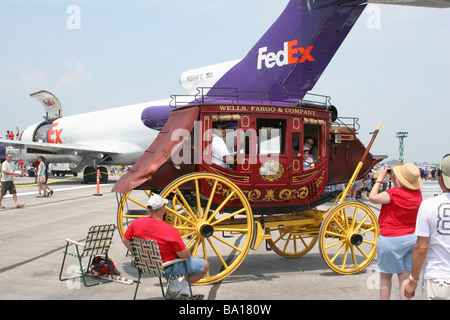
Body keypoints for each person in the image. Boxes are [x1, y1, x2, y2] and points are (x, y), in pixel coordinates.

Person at [122, 193, 209, 300]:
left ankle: (179, 289)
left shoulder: (136, 223)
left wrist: (137, 254)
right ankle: (177, 288)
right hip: (166, 268)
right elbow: (184, 256)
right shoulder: (170, 230)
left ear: (150, 209)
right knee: (205, 265)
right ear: (162, 209)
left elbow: (125, 240)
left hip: (146, 265)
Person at [369, 163, 423, 300]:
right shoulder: (418, 194)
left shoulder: (394, 194)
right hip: (411, 237)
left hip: (391, 238)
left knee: (385, 277)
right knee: (405, 276)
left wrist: (380, 179)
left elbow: (372, 197)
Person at [404, 154, 450, 300]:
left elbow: (421, 248)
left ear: (440, 178)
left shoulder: (429, 205)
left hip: (438, 278)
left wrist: (413, 280)